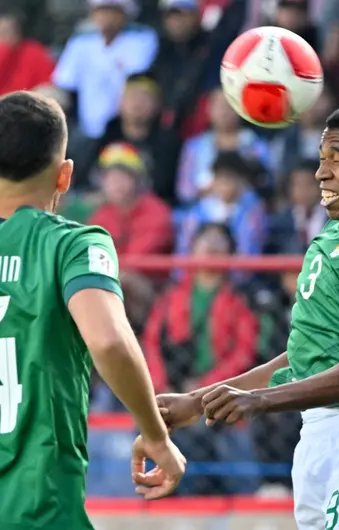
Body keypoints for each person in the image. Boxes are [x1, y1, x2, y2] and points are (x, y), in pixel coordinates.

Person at [157, 101, 339, 529]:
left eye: (337, 160)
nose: (321, 172)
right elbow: (302, 357)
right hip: (318, 435)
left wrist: (258, 402)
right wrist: (198, 402)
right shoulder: (334, 232)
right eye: (322, 159)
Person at [0, 91, 185, 529]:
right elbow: (108, 340)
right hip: (36, 503)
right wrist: (156, 436)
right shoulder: (72, 243)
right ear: (64, 176)